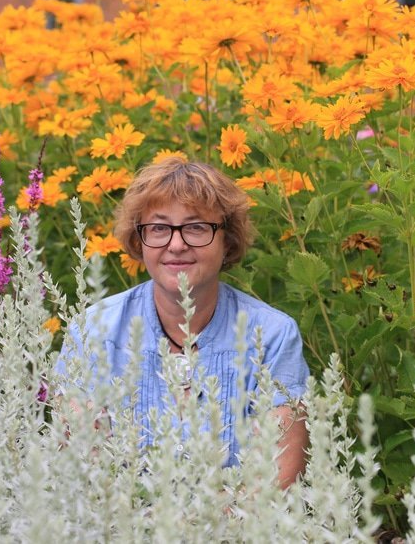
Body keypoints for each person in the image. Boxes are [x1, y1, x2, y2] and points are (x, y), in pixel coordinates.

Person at [54, 158, 310, 488]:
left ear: (228, 240)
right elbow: (80, 475)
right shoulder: (94, 331)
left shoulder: (273, 337)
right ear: (139, 240)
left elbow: (277, 482)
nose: (176, 245)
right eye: (159, 228)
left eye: (196, 227)